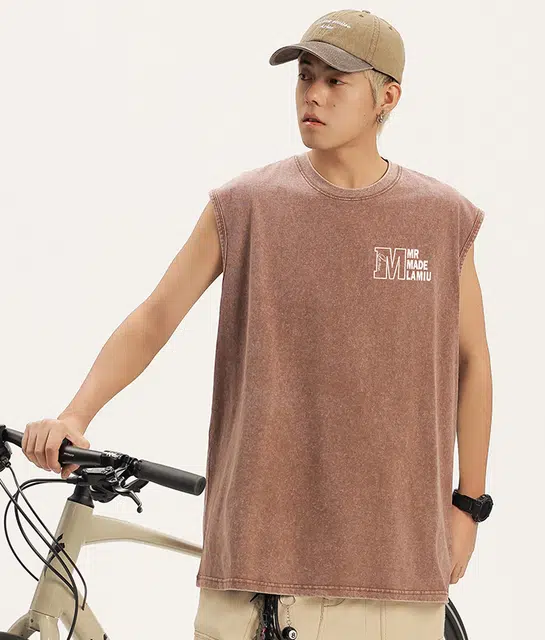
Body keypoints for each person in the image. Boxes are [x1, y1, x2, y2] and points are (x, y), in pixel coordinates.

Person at [22, 9, 493, 640]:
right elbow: (156, 316)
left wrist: (468, 505)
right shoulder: (245, 206)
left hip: (394, 567)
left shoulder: (441, 218)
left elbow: (472, 362)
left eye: (335, 81)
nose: (313, 95)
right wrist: (76, 414)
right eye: (305, 77)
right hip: (255, 564)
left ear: (387, 98)